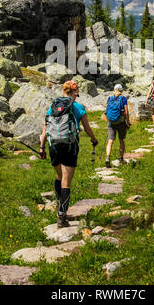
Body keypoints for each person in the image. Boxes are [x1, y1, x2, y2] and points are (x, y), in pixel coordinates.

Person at [40, 80, 98, 228]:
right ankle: (62, 216)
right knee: (66, 180)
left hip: (53, 146)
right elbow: (87, 128)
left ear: (63, 91)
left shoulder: (53, 106)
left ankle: (59, 207)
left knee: (59, 176)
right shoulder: (78, 107)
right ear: (75, 92)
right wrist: (94, 139)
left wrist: (42, 148)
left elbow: (45, 130)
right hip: (70, 146)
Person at [105, 83, 131, 168]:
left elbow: (107, 110)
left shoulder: (110, 98)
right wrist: (127, 122)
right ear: (121, 91)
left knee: (110, 141)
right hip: (121, 122)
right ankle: (121, 158)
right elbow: (126, 112)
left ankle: (107, 157)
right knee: (121, 140)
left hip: (111, 122)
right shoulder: (123, 98)